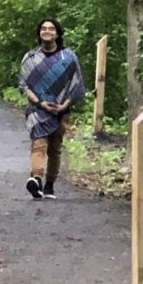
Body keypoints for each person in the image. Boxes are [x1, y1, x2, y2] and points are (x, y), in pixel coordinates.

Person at [18, 18, 85, 200]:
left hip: (60, 111)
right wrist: (40, 103)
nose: (47, 31)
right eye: (44, 29)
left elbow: (75, 84)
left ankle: (49, 186)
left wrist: (65, 104)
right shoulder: (30, 58)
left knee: (54, 149)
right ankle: (36, 179)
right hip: (37, 109)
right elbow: (25, 86)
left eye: (51, 29)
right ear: (39, 33)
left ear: (57, 33)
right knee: (38, 144)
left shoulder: (69, 57)